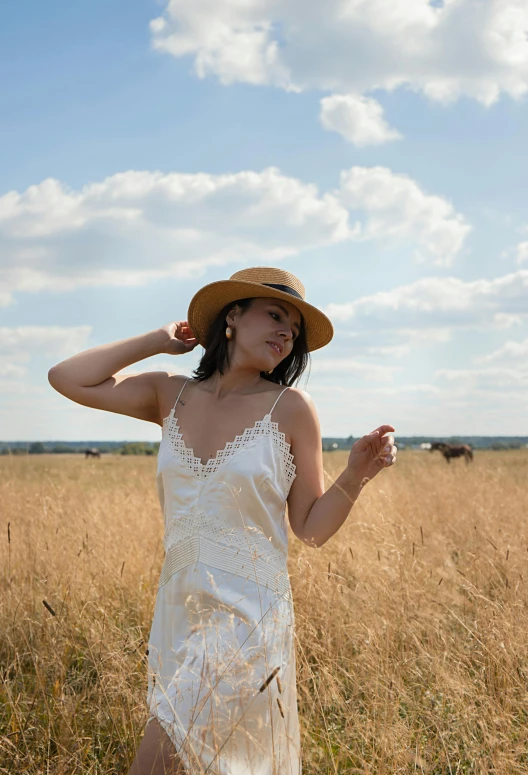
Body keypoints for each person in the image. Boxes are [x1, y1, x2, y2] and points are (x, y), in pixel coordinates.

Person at [48, 266, 396, 775]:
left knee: (155, 763)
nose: (286, 333)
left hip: (248, 617)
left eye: (294, 331)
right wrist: (156, 340)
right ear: (232, 316)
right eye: (275, 316)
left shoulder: (291, 407)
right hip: (178, 613)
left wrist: (356, 475)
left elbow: (312, 528)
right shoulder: (171, 395)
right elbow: (66, 377)